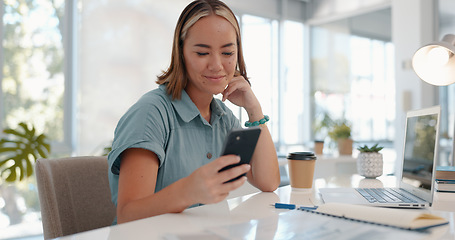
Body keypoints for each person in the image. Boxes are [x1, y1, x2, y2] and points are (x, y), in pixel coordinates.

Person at [107, 0, 280, 224]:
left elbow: (268, 182)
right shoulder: (151, 113)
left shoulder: (223, 118)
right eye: (201, 53)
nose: (217, 65)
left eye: (227, 52)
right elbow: (127, 215)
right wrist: (188, 191)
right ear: (181, 54)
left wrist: (254, 110)